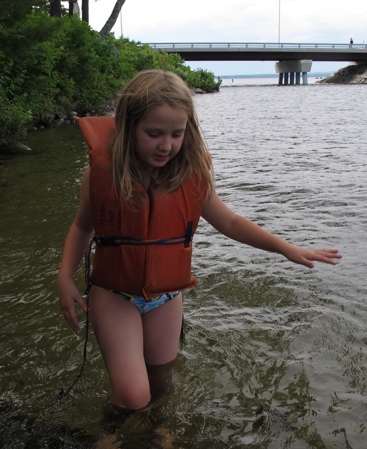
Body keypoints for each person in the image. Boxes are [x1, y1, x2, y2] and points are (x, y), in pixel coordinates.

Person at [57, 69, 341, 413]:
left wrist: (285, 247)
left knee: (161, 381)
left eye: (176, 134)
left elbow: (230, 222)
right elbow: (81, 227)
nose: (166, 145)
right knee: (133, 395)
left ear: (188, 130)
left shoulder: (190, 176)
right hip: (115, 295)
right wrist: (65, 277)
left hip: (166, 297)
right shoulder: (101, 175)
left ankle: (159, 434)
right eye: (154, 134)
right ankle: (110, 436)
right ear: (128, 126)